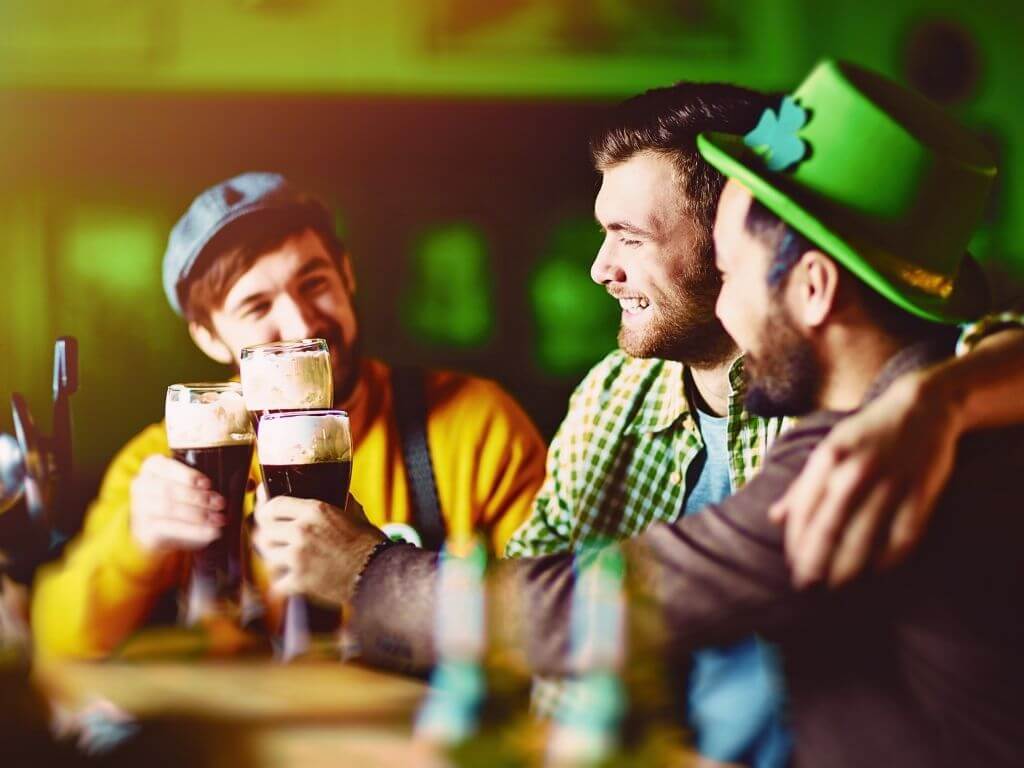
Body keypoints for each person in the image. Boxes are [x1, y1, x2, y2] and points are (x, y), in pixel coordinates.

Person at [267, 60, 1024, 766]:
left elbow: (590, 608)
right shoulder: (626, 394)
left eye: (732, 271)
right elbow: (537, 586)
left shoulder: (863, 448)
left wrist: (369, 574)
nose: (599, 268)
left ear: (815, 288)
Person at [31, 172, 547, 658]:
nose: (301, 324)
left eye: (314, 282)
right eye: (256, 307)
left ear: (347, 275)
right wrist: (136, 540)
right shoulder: (166, 457)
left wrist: (379, 567)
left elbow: (555, 619)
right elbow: (59, 634)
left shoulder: (477, 425)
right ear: (208, 337)